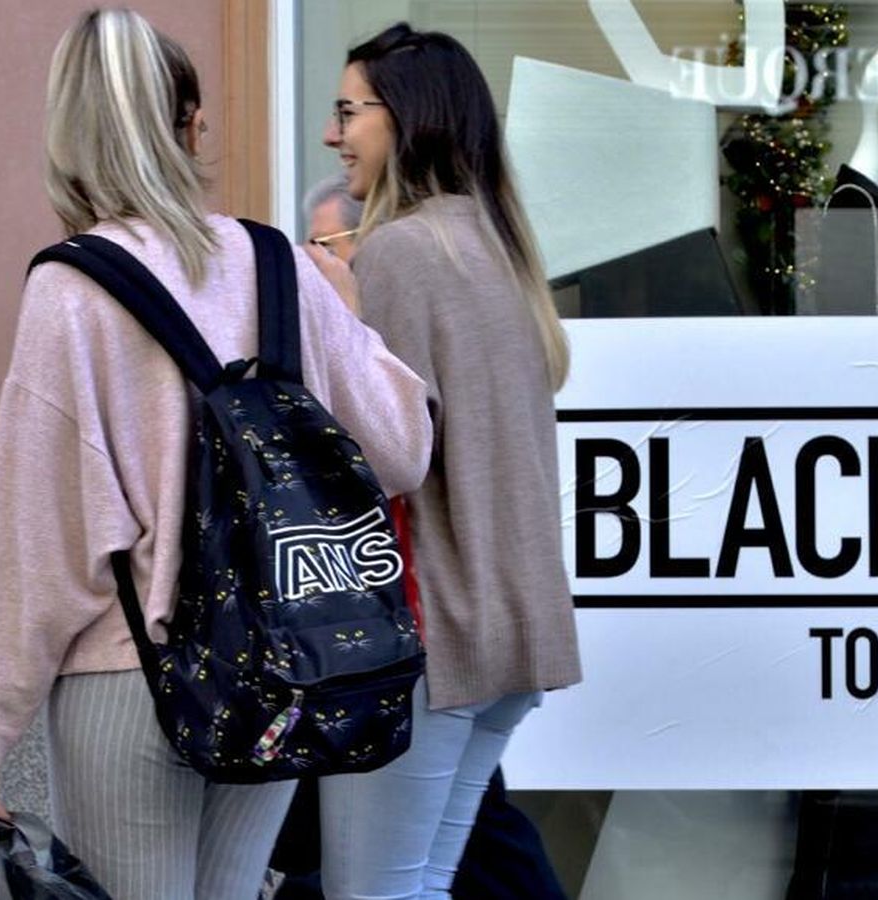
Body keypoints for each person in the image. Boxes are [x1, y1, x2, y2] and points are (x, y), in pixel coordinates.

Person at [0, 9, 432, 898]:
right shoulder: (279, 262)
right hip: (281, 663)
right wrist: (347, 323)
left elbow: (38, 540)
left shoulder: (72, 289)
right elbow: (403, 449)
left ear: (66, 131)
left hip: (131, 674)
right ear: (193, 127)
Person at [303, 22, 583, 899]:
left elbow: (383, 456)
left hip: (436, 632)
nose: (332, 133)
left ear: (407, 117)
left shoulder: (399, 251)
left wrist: (332, 324)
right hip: (509, 631)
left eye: (349, 110)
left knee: (379, 893)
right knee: (425, 882)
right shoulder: (498, 250)